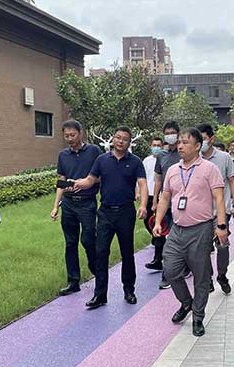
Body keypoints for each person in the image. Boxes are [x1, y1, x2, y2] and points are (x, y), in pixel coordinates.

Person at [153, 127, 228, 337]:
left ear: (197, 146)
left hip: (201, 229)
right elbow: (165, 198)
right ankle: (186, 303)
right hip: (177, 229)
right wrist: (158, 221)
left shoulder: (209, 169)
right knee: (170, 270)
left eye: (185, 142)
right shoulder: (172, 170)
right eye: (179, 142)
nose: (180, 146)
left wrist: (221, 226)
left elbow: (219, 198)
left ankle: (198, 316)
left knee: (201, 276)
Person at [74, 127, 148, 309]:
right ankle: (100, 295)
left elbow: (143, 185)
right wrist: (76, 184)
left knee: (127, 252)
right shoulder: (102, 160)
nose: (120, 141)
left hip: (125, 212)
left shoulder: (136, 162)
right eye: (117, 137)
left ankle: (129, 290)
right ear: (113, 139)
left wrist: (143, 205)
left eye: (124, 139)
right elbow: (90, 180)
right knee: (101, 253)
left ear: (129, 142)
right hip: (105, 212)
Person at [51, 120, 102, 297]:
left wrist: (86, 182)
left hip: (87, 203)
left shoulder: (94, 151)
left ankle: (97, 271)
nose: (70, 139)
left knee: (88, 240)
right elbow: (61, 181)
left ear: (80, 133)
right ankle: (73, 281)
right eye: (66, 136)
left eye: (72, 135)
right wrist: (56, 206)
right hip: (69, 204)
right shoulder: (63, 155)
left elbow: (102, 175)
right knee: (70, 243)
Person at [198, 123, 234, 295]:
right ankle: (207, 278)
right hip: (200, 213)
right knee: (203, 248)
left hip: (220, 211)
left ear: (211, 139)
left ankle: (222, 275)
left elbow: (232, 180)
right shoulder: (194, 159)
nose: (201, 143)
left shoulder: (224, 158)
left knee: (222, 245)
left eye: (203, 139)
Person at [152, 121, 182, 288]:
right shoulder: (162, 156)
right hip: (165, 203)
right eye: (167, 133)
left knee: (179, 240)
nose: (170, 136)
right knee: (165, 239)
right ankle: (167, 274)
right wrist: (155, 200)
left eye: (172, 133)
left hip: (183, 204)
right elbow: (158, 179)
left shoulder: (184, 153)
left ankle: (183, 267)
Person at [142, 137, 165, 270]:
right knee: (147, 221)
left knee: (158, 224)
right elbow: (142, 178)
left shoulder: (164, 159)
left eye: (158, 145)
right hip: (148, 194)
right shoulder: (146, 161)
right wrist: (139, 192)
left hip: (161, 196)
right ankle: (157, 240)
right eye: (154, 145)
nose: (156, 147)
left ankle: (158, 258)